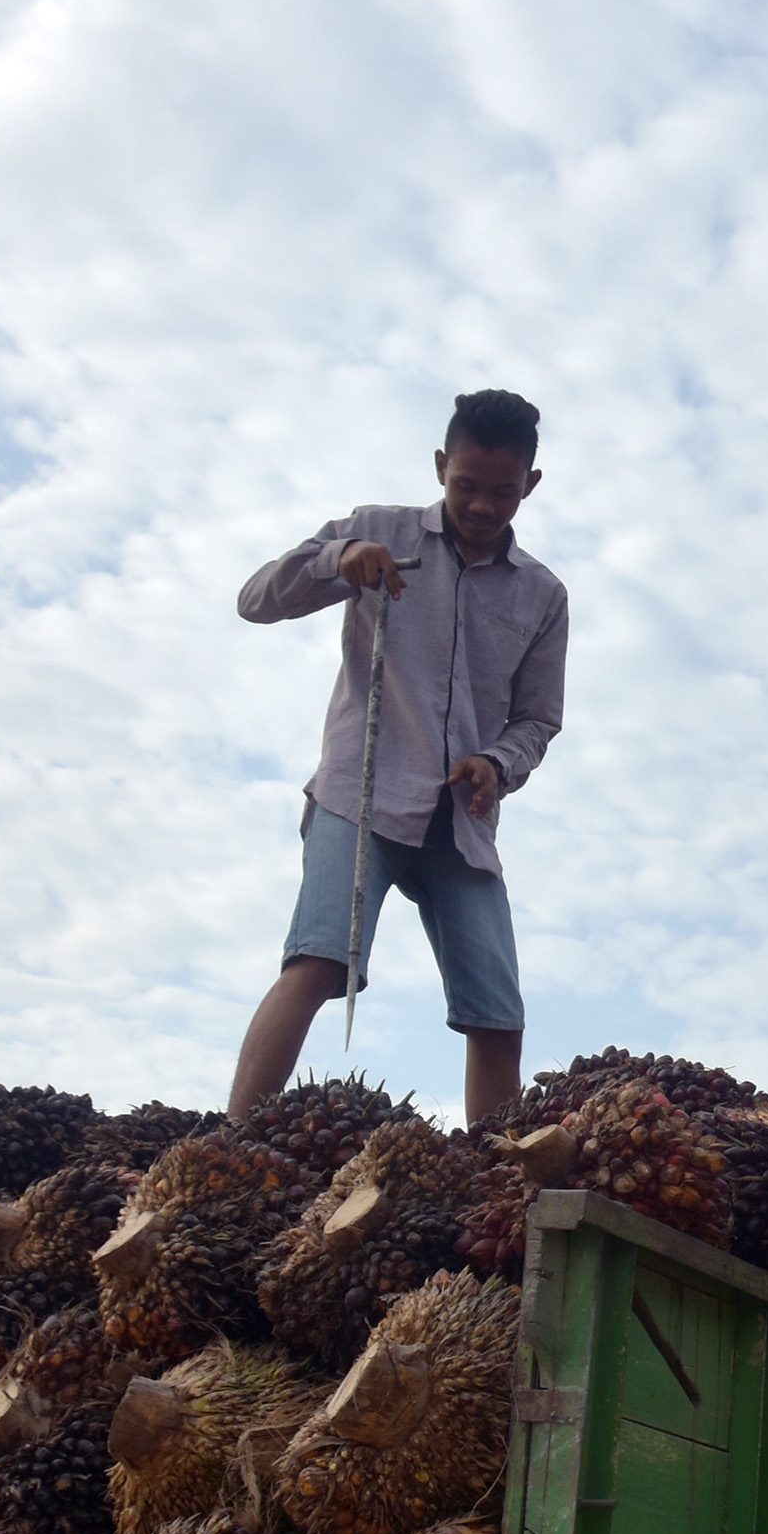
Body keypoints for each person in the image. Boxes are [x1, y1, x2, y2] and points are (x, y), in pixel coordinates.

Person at [229, 389, 566, 1127]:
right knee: (318, 964)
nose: (482, 505)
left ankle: (495, 1185)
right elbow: (256, 597)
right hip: (362, 794)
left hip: (461, 824)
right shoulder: (377, 530)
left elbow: (539, 718)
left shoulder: (543, 595)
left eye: (503, 492)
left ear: (530, 486)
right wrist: (336, 560)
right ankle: (230, 1147)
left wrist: (497, 762)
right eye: (466, 485)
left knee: (498, 1018)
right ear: (441, 467)